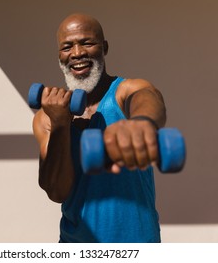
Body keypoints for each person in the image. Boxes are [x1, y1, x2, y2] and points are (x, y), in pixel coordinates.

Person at [32, 13, 166, 243]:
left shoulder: (125, 91)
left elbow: (147, 98)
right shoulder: (46, 117)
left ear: (104, 47)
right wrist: (61, 125)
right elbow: (56, 192)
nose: (77, 53)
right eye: (67, 47)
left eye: (87, 42)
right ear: (59, 56)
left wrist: (142, 123)